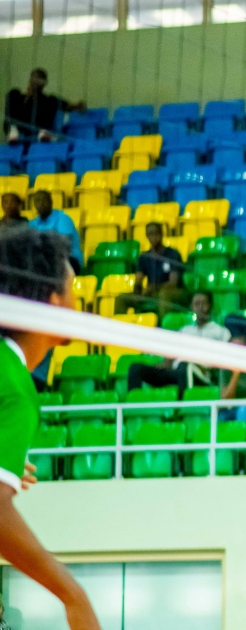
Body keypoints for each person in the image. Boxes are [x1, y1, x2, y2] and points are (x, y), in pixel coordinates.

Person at [0, 228, 101, 630]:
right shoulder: (14, 387)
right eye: (72, 290)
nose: (78, 304)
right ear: (53, 301)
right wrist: (71, 593)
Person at [127, 291, 231, 396]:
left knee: (184, 367)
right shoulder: (185, 330)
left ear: (210, 306)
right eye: (196, 304)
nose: (200, 307)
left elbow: (226, 360)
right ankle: (132, 409)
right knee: (136, 368)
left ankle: (182, 409)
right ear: (192, 307)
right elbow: (171, 356)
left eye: (204, 304)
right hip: (177, 372)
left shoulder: (220, 332)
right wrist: (165, 363)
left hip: (202, 374)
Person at [114, 221, 187, 315]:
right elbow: (138, 279)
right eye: (150, 234)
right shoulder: (144, 257)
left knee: (163, 295)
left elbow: (173, 283)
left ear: (161, 234)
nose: (153, 237)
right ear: (147, 236)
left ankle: (162, 328)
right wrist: (138, 291)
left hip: (174, 292)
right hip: (153, 293)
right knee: (121, 298)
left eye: (156, 233)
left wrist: (153, 288)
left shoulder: (172, 254)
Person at [5, 68, 86, 142]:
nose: (36, 81)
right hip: (20, 125)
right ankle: (13, 129)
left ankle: (43, 132)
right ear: (30, 80)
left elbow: (68, 106)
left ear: (44, 83)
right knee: (13, 93)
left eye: (39, 79)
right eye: (34, 78)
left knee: (52, 100)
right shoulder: (17, 96)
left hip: (38, 126)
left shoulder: (48, 100)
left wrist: (78, 106)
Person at [27, 190, 81, 271]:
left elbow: (63, 245)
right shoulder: (32, 223)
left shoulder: (63, 218)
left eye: (44, 200)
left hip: (69, 260)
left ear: (51, 202)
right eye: (37, 201)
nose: (41, 203)